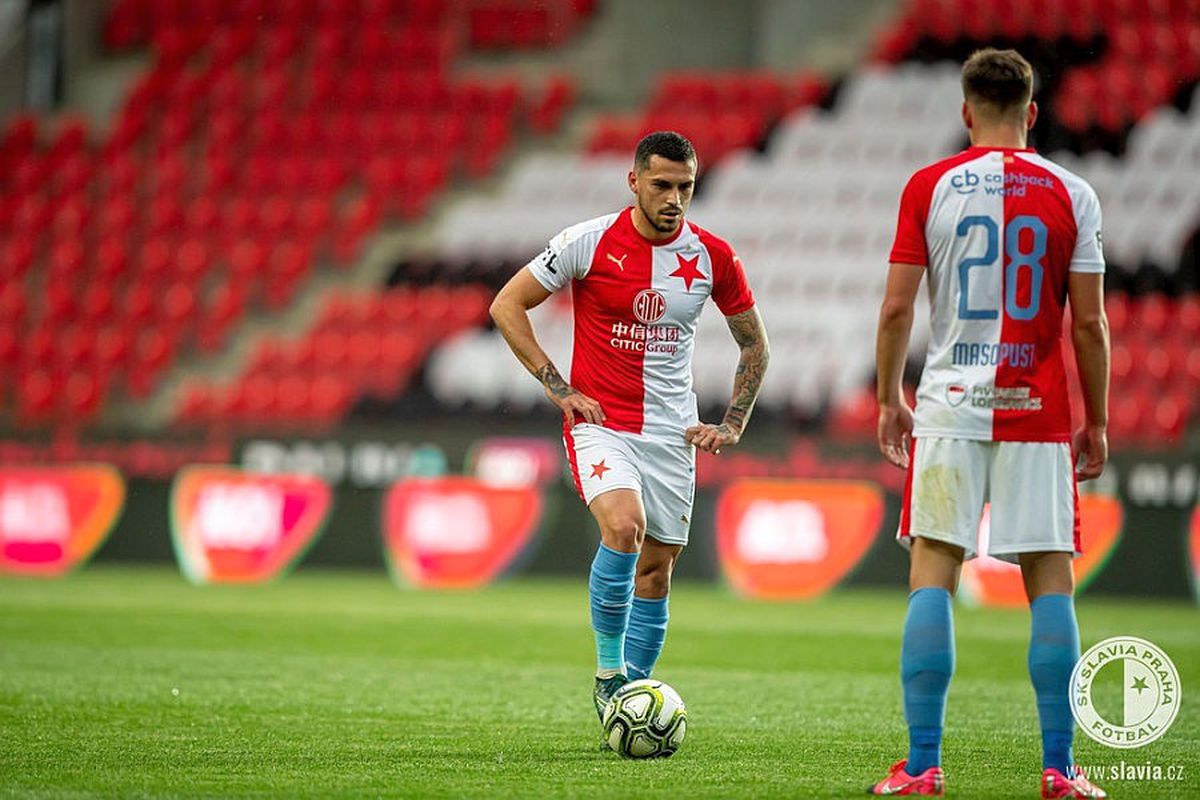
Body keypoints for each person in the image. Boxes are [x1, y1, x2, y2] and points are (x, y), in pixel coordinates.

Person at [870, 49, 1110, 798]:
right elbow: (1091, 325)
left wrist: (887, 398)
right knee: (1051, 583)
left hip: (948, 405)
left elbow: (897, 309)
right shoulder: (1075, 193)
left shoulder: (928, 186)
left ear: (967, 111)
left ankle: (921, 766)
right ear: (1032, 112)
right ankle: (1060, 770)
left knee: (932, 574)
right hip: (1036, 411)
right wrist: (1097, 421)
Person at [489, 131, 769, 723]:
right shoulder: (586, 243)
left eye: (685, 187)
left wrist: (732, 422)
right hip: (602, 422)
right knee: (624, 527)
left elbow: (754, 346)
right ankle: (609, 675)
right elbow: (506, 305)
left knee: (656, 572)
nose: (674, 198)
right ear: (634, 181)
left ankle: (632, 701)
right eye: (663, 185)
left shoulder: (713, 256)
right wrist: (558, 386)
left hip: (673, 433)